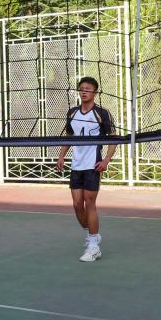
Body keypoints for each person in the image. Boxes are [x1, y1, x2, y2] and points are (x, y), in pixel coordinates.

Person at [55, 77, 117, 262]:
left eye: (88, 89)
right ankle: (93, 234)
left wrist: (106, 160)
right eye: (81, 89)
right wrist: (61, 156)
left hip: (93, 165)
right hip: (76, 166)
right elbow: (69, 136)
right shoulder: (72, 113)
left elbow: (113, 139)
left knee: (90, 203)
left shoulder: (102, 113)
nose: (84, 91)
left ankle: (93, 246)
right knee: (76, 205)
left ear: (95, 92)